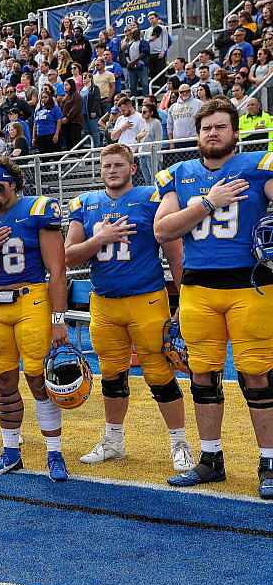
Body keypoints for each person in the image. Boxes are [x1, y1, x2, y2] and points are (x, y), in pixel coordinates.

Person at [154, 98, 273, 498]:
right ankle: (210, 460)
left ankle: (269, 462)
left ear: (235, 133)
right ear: (198, 133)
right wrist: (209, 203)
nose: (213, 134)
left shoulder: (258, 166)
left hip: (251, 285)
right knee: (202, 374)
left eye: (221, 127)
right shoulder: (179, 174)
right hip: (198, 288)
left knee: (257, 374)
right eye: (206, 128)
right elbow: (162, 230)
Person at [64, 143, 193, 472]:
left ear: (132, 168)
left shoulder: (151, 198)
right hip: (104, 304)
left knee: (160, 374)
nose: (112, 170)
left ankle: (179, 442)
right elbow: (70, 256)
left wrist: (184, 299)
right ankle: (114, 440)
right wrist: (99, 239)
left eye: (119, 165)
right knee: (111, 374)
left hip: (147, 300)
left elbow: (176, 254)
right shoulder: (84, 203)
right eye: (106, 165)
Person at [0, 156, 69, 480]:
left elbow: (57, 270)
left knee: (38, 379)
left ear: (14, 184)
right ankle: (10, 453)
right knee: (3, 381)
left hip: (30, 299)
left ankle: (55, 453)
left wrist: (58, 318)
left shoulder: (37, 210)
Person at [168, 84, 203, 150]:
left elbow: (203, 122)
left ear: (190, 91)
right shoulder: (173, 107)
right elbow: (170, 126)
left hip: (194, 140)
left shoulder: (199, 103)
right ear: (178, 93)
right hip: (178, 141)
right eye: (181, 92)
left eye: (186, 91)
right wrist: (171, 142)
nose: (184, 93)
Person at [33, 88, 62, 154]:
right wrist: (34, 138)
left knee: (54, 154)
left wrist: (56, 134)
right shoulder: (38, 110)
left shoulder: (55, 108)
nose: (44, 99)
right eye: (42, 97)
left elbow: (59, 121)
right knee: (43, 156)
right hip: (40, 135)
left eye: (46, 97)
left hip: (51, 133)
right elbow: (35, 124)